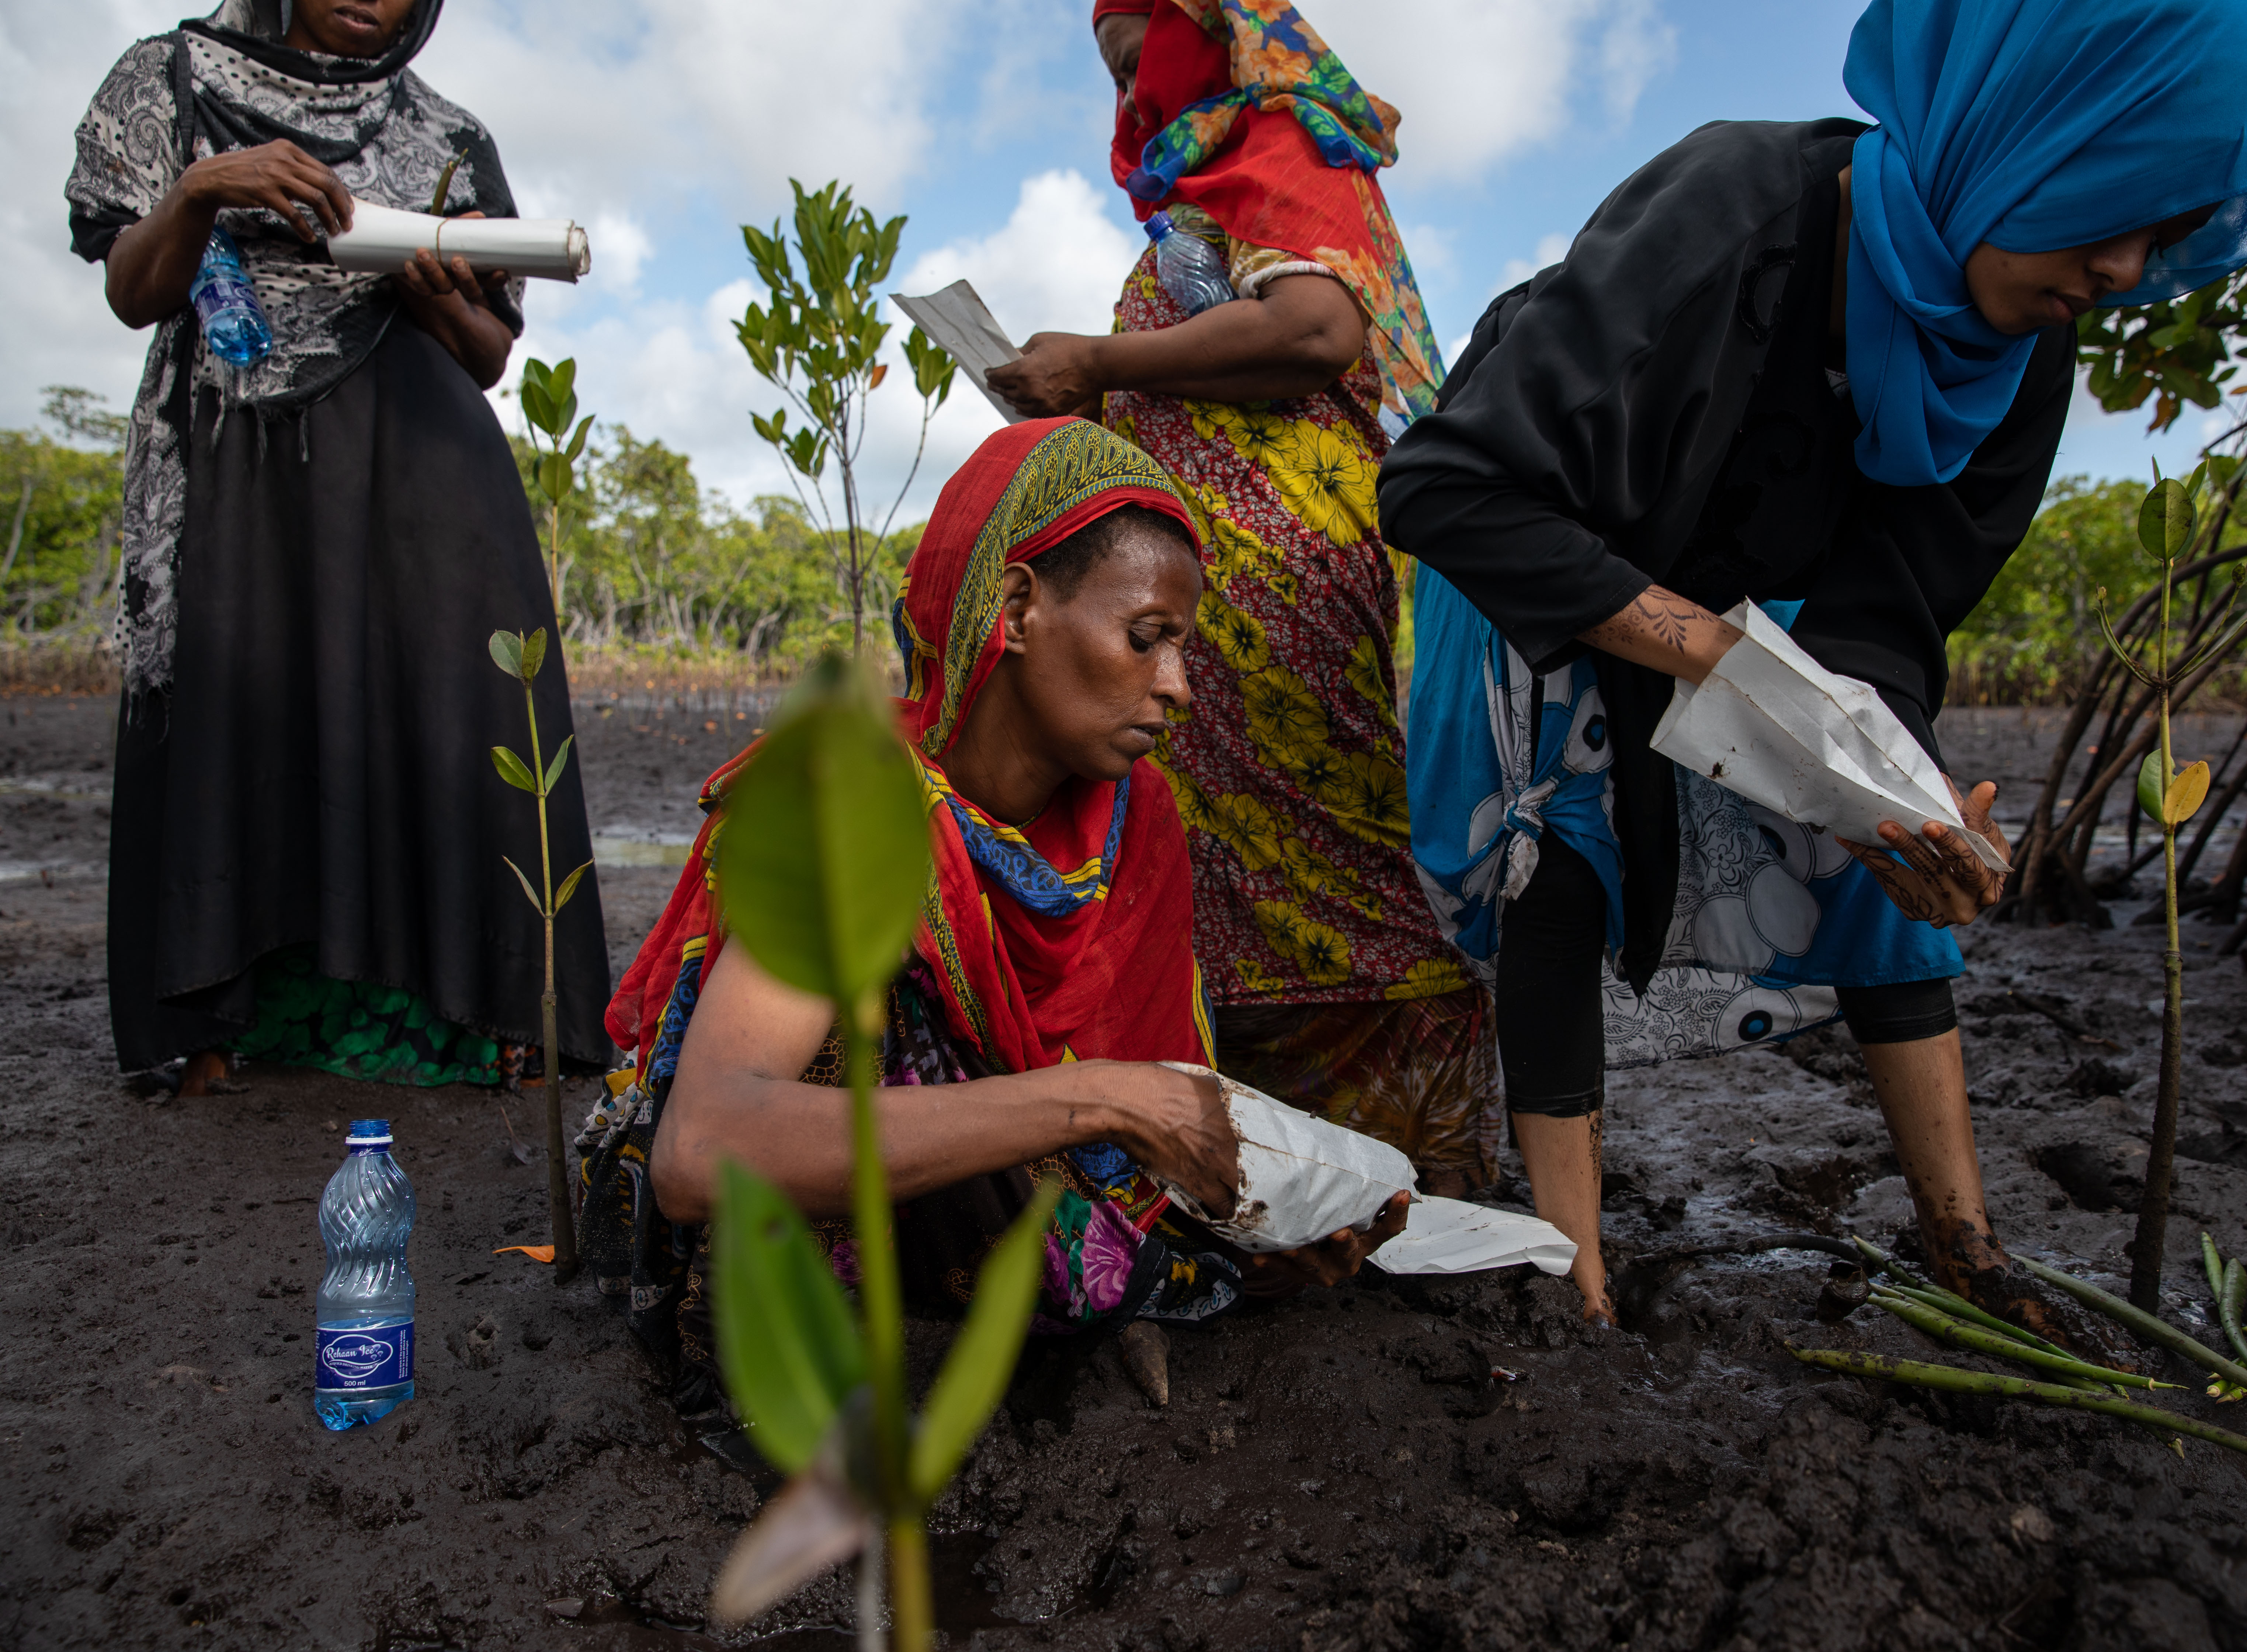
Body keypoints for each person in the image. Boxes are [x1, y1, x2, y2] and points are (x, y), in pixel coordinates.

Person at [1381, 0, 2247, 1326]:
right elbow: (1447, 489)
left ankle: (1967, 1246)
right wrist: (1709, 653)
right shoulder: (1740, 202)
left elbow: (1892, 608)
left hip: (1740, 603)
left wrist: (1889, 772)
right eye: (2113, 205)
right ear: (2023, 134)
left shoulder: (2021, 346)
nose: (2124, 267)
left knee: (1888, 839)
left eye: (2161, 238)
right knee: (1563, 838)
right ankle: (1573, 1276)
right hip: (1544, 548)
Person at [576, 418, 1409, 1417]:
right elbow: (703, 1150)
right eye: (1147, 639)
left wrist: (1264, 1204)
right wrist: (1108, 1101)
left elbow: (1149, 1091)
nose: (1180, 689)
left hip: (990, 1188)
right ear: (1015, 608)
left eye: (1184, 649)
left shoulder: (1135, 821)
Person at [986, 0, 1501, 1198]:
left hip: (1292, 585)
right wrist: (1087, 408)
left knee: (1343, 844)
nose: (1129, 101)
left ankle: (1414, 1161)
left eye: (1137, 62)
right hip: (1198, 597)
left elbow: (1316, 328)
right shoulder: (1193, 193)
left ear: (1207, 31)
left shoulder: (1278, 139)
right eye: (1108, 79)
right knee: (1211, 864)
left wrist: (1103, 361)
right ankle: (1257, 1158)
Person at [66, 0, 611, 1090]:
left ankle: (475, 1015)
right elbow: (135, 291)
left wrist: (431, 289)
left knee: (455, 711)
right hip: (235, 451)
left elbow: (490, 357)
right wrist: (199, 189)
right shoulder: (166, 81)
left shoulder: (447, 134)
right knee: (241, 704)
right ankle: (221, 1021)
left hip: (423, 467)